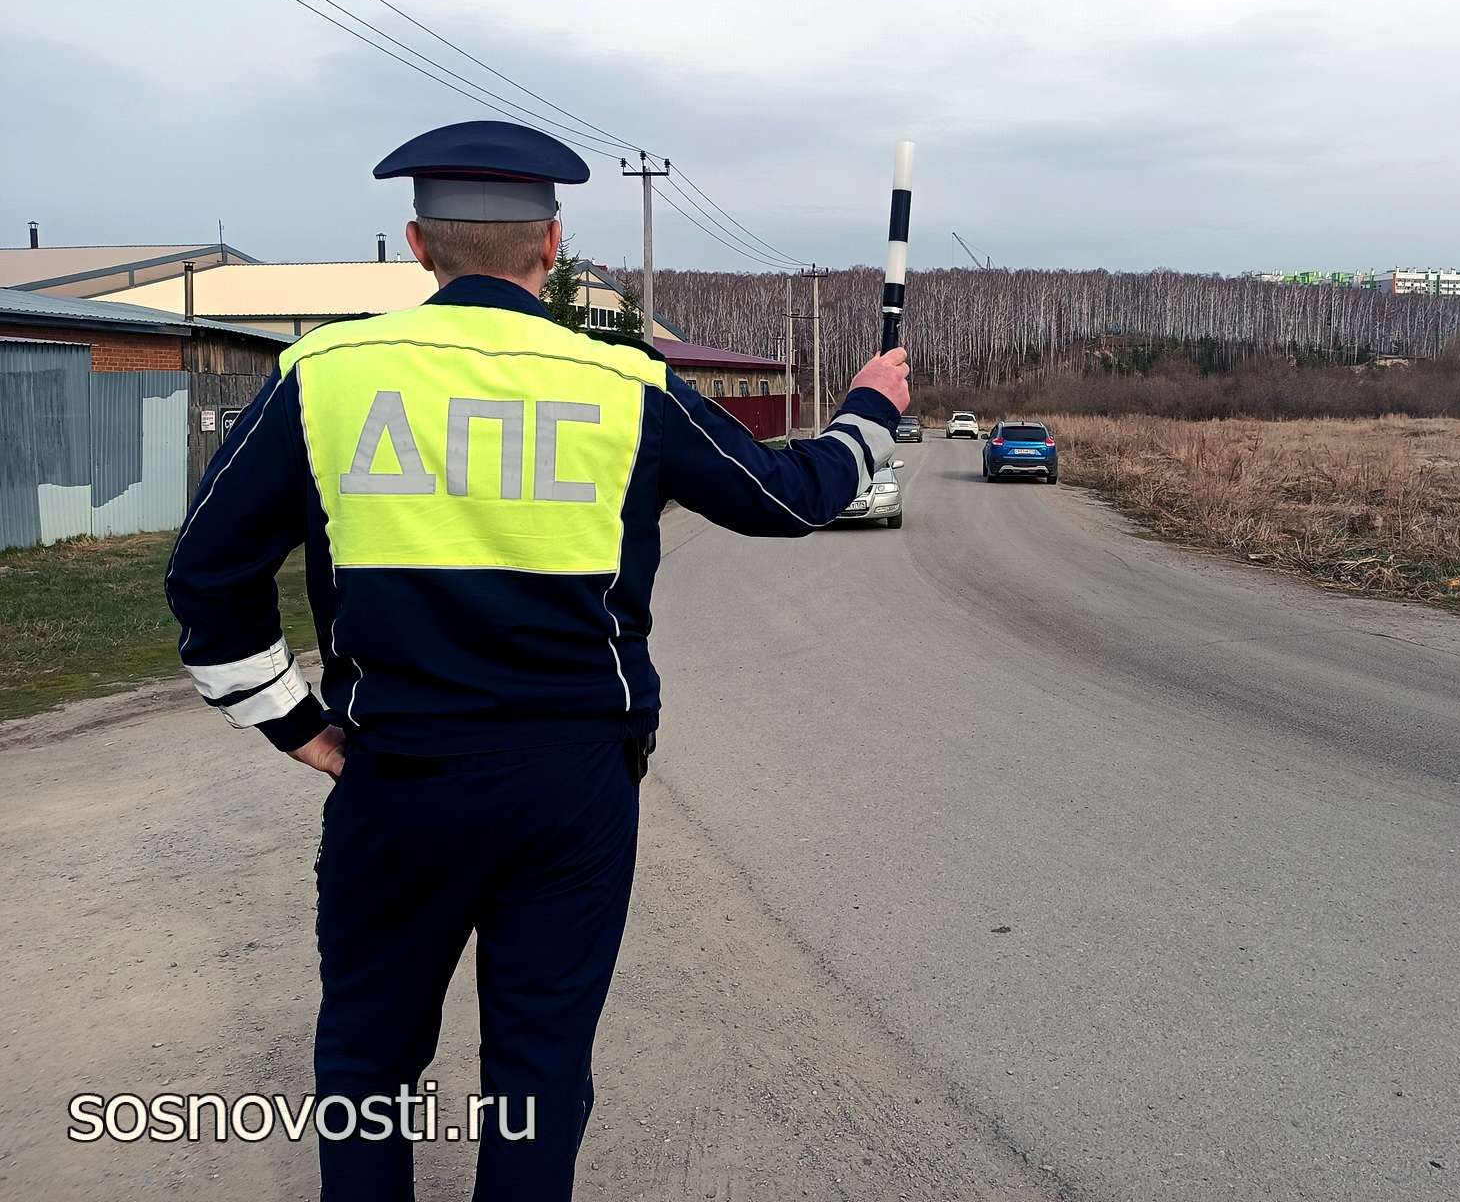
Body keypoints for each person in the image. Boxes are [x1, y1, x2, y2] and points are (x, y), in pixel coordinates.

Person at [164, 119, 908, 1200]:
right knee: (538, 1071)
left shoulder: (321, 374)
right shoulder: (624, 382)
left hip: (398, 781)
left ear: (418, 245)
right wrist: (870, 413)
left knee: (368, 1065)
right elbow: (789, 500)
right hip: (573, 788)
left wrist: (297, 725)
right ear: (550, 246)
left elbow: (204, 576)